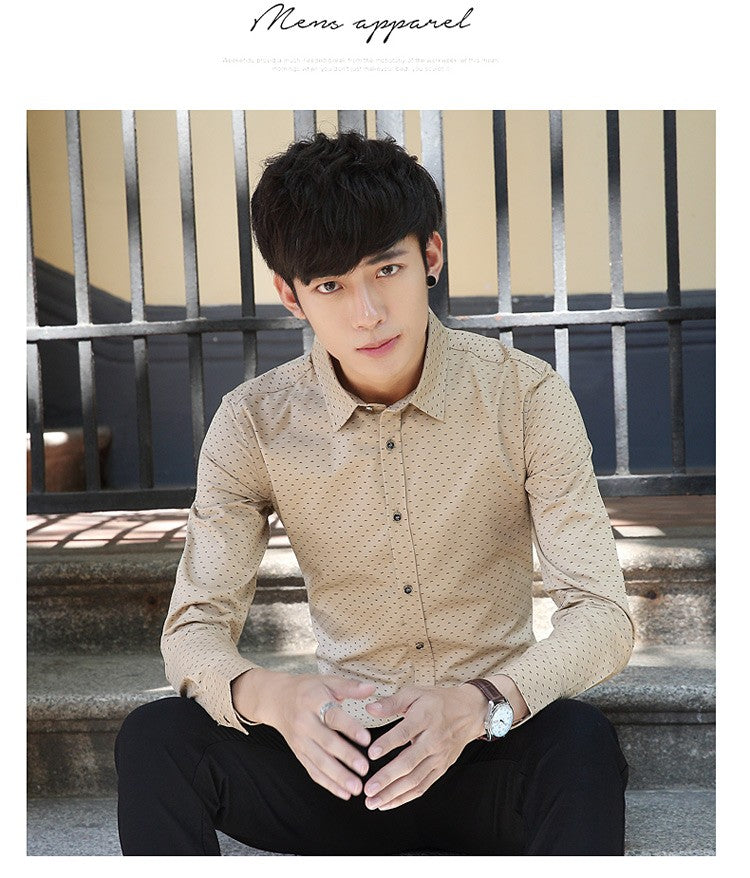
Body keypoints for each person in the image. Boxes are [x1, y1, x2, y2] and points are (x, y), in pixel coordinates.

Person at [115, 130, 634, 856]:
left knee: (582, 742)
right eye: (330, 285)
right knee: (155, 739)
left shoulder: (525, 396)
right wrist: (278, 699)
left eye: (386, 269)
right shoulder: (254, 422)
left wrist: (480, 704)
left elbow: (603, 617)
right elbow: (192, 627)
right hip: (338, 765)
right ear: (291, 295)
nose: (367, 312)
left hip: (487, 748)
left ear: (431, 256)